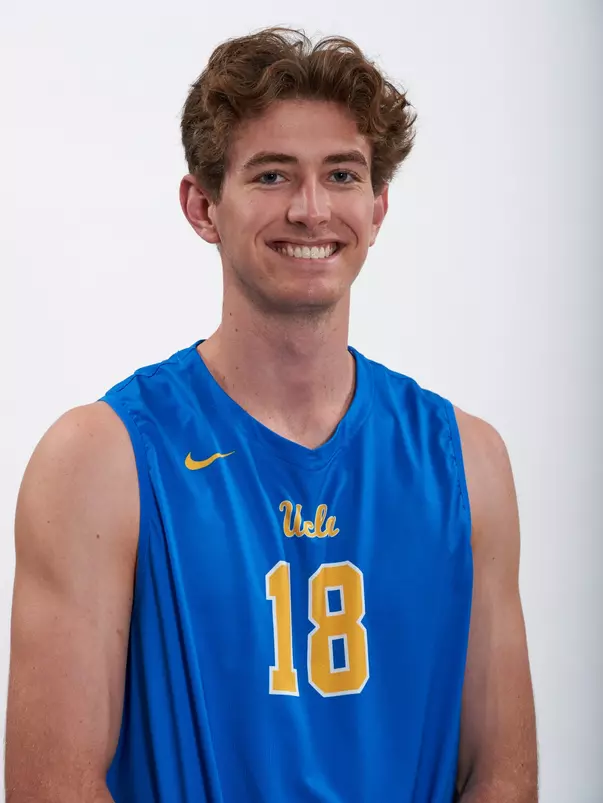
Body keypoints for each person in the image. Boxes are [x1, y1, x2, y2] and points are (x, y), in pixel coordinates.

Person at [5, 26, 538, 803]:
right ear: (202, 205)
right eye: (271, 175)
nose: (311, 208)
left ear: (378, 204)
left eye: (342, 174)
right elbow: (51, 788)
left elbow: (501, 776)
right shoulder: (101, 459)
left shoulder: (467, 460)